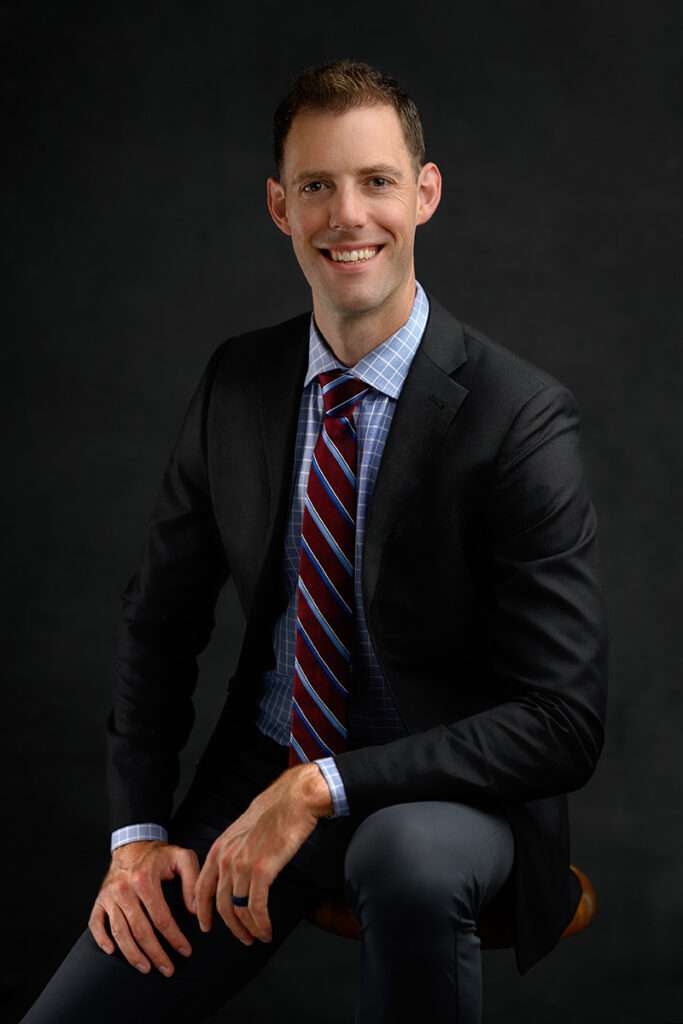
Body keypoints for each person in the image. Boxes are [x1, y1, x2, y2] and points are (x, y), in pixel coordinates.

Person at [20, 58, 608, 1024]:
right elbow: (158, 625)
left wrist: (321, 788)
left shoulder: (518, 416)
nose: (348, 216)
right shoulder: (238, 384)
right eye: (315, 187)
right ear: (277, 206)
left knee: (401, 852)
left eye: (376, 181)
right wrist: (137, 835)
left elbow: (561, 721)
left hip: (450, 796)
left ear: (424, 194)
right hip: (261, 778)